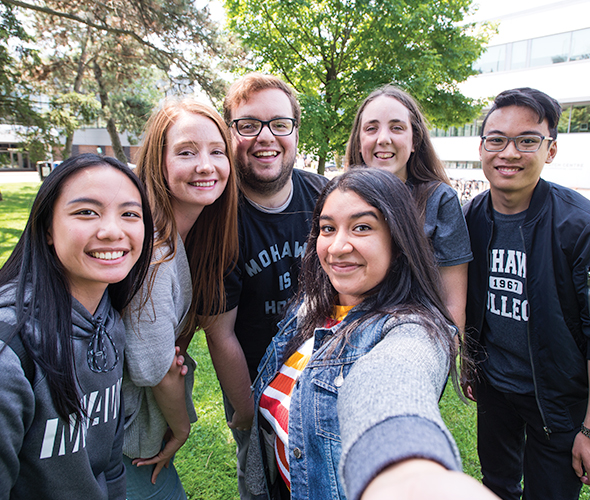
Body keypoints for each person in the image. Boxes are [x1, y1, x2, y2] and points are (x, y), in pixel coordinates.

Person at [245, 168, 498, 500]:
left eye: (362, 227)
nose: (337, 247)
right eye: (327, 228)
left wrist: (406, 470)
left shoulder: (413, 330)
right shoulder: (309, 307)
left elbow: (392, 382)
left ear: (398, 238)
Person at [0, 154, 153, 500]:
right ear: (47, 229)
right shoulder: (10, 354)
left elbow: (109, 465)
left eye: (130, 214)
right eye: (86, 212)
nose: (112, 231)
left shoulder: (109, 320)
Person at [204, 73, 328, 499]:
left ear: (295, 131)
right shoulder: (217, 218)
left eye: (279, 123)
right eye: (248, 124)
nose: (265, 137)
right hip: (253, 385)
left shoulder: (323, 195)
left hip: (323, 382)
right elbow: (220, 335)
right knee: (262, 486)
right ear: (229, 131)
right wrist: (244, 414)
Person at [462, 87, 590, 500]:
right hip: (496, 387)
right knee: (497, 487)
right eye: (496, 140)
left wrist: (588, 427)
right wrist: (470, 360)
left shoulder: (578, 226)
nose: (509, 153)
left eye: (527, 140)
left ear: (550, 149)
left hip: (557, 395)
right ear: (482, 148)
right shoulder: (470, 218)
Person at [122, 99, 238, 499]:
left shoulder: (183, 237)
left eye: (217, 151)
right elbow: (156, 367)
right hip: (116, 445)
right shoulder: (154, 250)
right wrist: (183, 426)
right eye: (186, 152)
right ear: (159, 161)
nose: (206, 165)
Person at [346, 85, 472, 331]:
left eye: (397, 127)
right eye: (371, 128)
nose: (383, 138)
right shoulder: (342, 200)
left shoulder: (439, 200)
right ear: (359, 142)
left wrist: (445, 358)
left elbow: (453, 304)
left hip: (414, 343)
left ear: (414, 141)